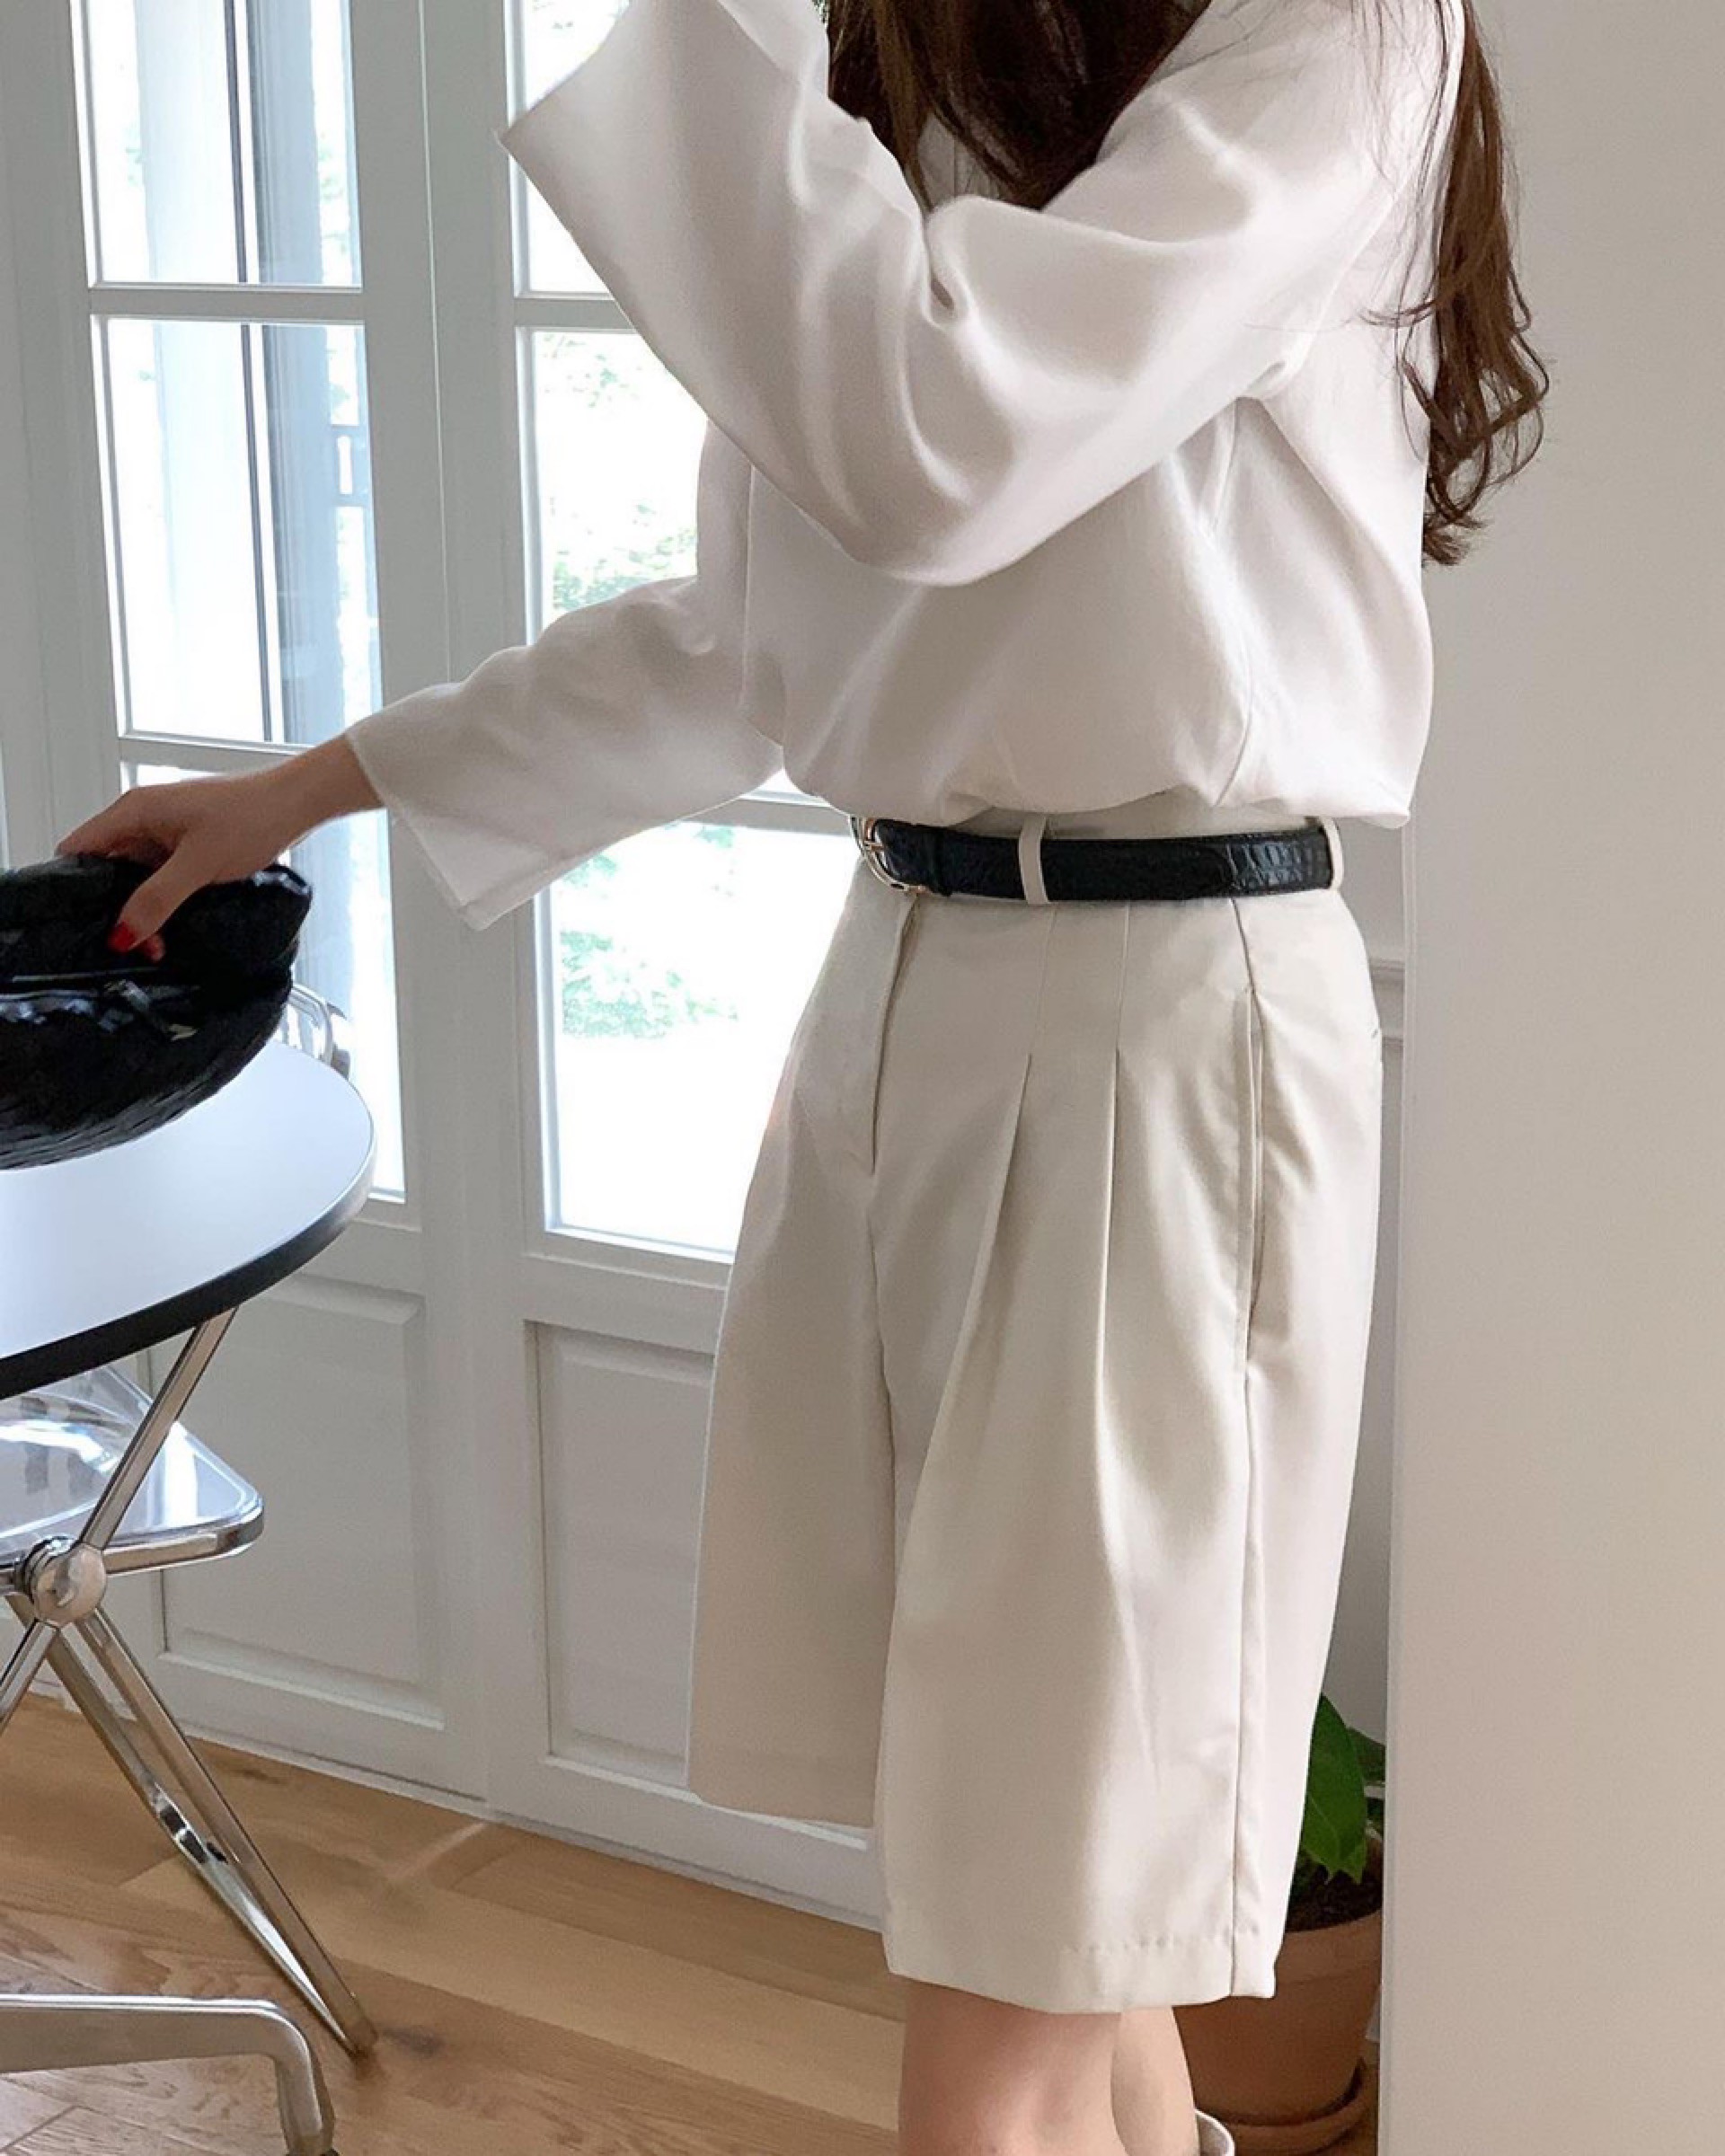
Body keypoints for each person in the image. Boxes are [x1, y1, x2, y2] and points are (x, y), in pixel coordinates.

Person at [58, 0, 1545, 2148]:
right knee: (1055, 1910)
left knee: (1035, 1940)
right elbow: (759, 633)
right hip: (914, 984)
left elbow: (943, 441)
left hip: (1160, 1014)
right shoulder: (947, 58)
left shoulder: (1334, 25)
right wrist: (313, 784)